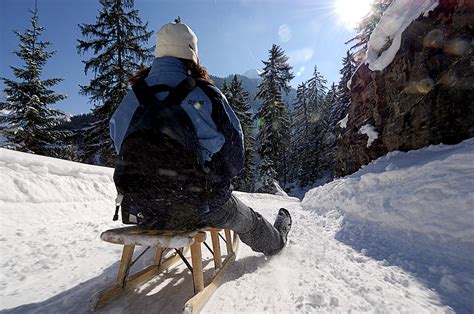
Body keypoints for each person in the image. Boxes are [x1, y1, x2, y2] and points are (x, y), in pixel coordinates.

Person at [109, 20, 291, 256]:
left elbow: (120, 145)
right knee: (249, 221)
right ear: (192, 53)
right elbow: (235, 156)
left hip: (141, 207)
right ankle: (277, 242)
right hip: (199, 206)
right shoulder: (204, 94)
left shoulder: (133, 97)